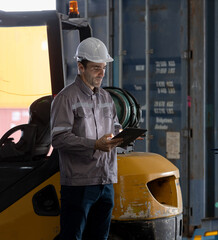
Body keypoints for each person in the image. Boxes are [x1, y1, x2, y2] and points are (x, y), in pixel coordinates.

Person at [50, 37, 123, 240]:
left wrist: (122, 137)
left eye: (104, 68)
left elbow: (115, 126)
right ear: (81, 67)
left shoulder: (106, 98)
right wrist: (95, 144)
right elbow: (59, 138)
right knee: (73, 236)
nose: (102, 73)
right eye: (96, 68)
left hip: (106, 180)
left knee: (100, 237)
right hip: (79, 184)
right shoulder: (66, 98)